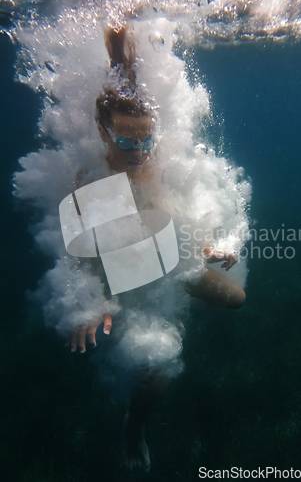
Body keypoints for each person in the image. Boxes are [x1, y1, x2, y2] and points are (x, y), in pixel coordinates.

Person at [67, 25, 246, 472]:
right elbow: (83, 252)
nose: (139, 152)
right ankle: (134, 427)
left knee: (236, 299)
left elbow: (171, 210)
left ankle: (181, 292)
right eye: (126, 141)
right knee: (157, 377)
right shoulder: (94, 182)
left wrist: (202, 247)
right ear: (103, 132)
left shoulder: (154, 157)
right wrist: (95, 303)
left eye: (146, 140)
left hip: (168, 257)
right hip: (129, 276)